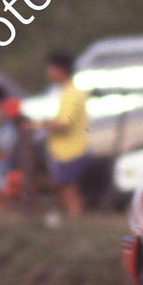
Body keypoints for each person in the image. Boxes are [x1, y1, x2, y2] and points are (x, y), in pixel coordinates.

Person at [42, 50, 88, 218]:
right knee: (63, 190)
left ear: (61, 70)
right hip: (62, 153)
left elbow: (63, 125)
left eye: (51, 68)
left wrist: (39, 124)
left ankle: (77, 222)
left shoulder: (72, 93)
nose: (48, 72)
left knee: (70, 191)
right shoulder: (64, 92)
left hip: (71, 152)